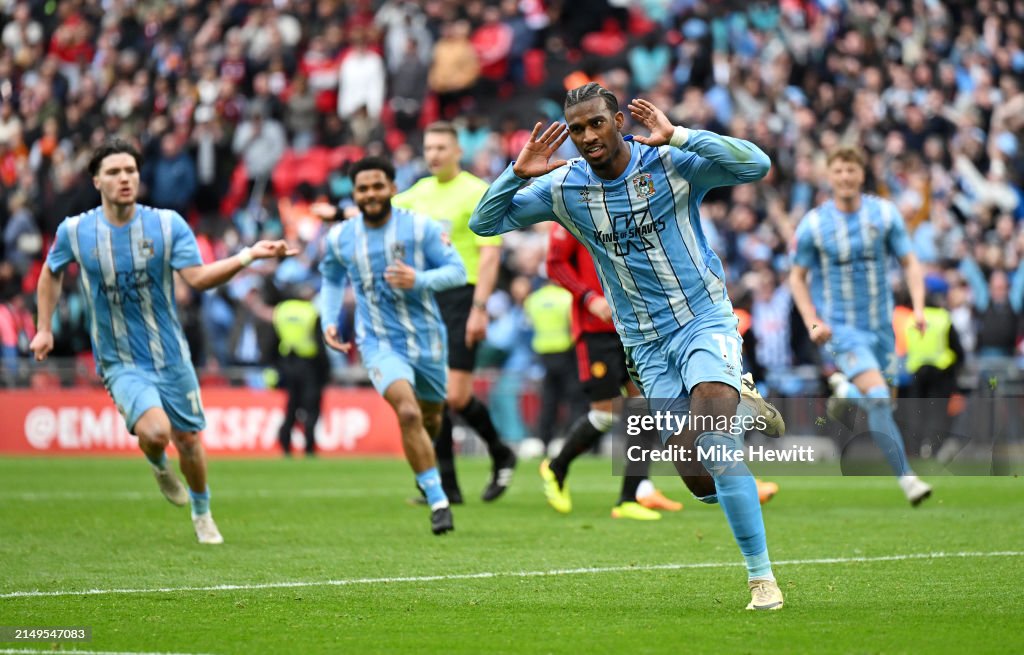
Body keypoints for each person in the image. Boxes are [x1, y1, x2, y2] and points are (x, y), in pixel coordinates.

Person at [470, 83, 787, 610]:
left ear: (618, 120)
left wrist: (681, 134)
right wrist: (515, 172)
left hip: (703, 319)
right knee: (699, 478)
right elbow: (485, 223)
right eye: (577, 129)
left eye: (597, 123)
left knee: (714, 443)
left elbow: (756, 165)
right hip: (644, 341)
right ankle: (738, 402)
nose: (588, 136)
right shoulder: (562, 186)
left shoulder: (671, 163)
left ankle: (761, 579)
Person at [30, 138, 297, 545]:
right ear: (97, 179)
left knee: (189, 441)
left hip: (171, 355)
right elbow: (50, 272)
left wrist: (248, 255)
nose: (125, 178)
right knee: (156, 432)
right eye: (115, 172)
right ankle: (157, 461)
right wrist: (44, 327)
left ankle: (202, 511)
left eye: (131, 171)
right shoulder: (77, 230)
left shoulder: (167, 224)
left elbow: (200, 278)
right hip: (119, 358)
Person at [319, 156, 466, 535]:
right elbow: (332, 279)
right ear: (354, 194)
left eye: (377, 186)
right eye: (363, 188)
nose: (370, 194)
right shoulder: (340, 237)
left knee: (431, 416)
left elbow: (457, 273)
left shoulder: (420, 229)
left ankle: (424, 467)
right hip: (379, 341)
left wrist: (418, 279)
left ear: (392, 187)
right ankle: (438, 499)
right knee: (409, 412)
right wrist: (329, 318)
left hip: (428, 339)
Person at [789, 145, 932, 506]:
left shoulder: (884, 215)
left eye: (851, 170)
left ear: (861, 174)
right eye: (838, 171)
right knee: (880, 399)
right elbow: (797, 277)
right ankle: (908, 479)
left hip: (881, 328)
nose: (845, 177)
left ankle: (844, 391)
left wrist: (917, 308)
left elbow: (910, 262)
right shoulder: (816, 224)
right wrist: (812, 322)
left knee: (883, 404)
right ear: (829, 176)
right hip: (842, 329)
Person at [392, 121, 518, 503]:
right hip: (427, 297)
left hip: (462, 297)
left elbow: (490, 255)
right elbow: (377, 213)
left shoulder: (476, 192)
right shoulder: (417, 194)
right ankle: (449, 486)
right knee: (435, 393)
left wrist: (480, 308)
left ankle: (501, 452)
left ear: (457, 151)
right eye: (428, 148)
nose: (433, 155)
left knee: (456, 396)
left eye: (441, 148)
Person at [541, 222, 683, 520]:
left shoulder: (627, 203)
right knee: (605, 414)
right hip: (595, 331)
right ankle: (557, 467)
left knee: (646, 409)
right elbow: (555, 264)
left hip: (634, 326)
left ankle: (628, 498)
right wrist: (588, 297)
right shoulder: (572, 205)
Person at [272, 287, 330, 457]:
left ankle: (285, 443)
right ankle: (309, 446)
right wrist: (326, 371)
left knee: (291, 406)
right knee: (311, 408)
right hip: (309, 366)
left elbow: (273, 340)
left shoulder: (282, 311)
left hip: (287, 363)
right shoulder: (311, 312)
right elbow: (320, 345)